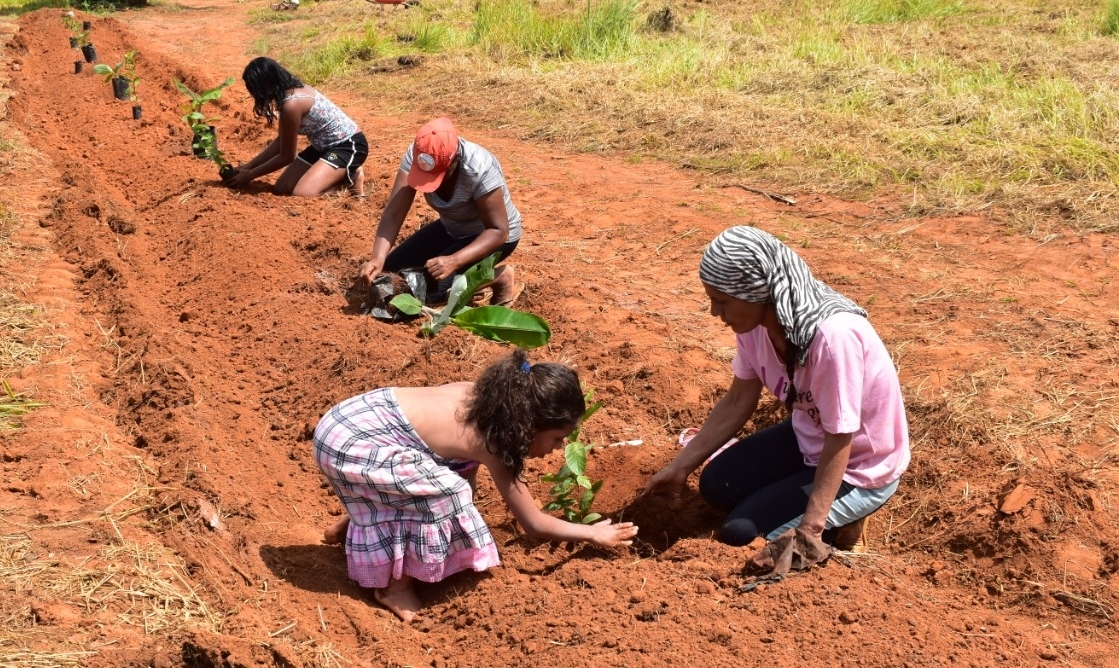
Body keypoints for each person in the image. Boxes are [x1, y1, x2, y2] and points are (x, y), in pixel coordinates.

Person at [643, 225, 909, 568]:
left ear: (756, 293)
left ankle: (842, 520)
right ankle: (794, 500)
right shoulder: (755, 326)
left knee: (738, 535)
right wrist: (680, 467)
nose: (714, 312)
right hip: (809, 437)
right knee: (717, 485)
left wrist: (809, 530)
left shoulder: (831, 337)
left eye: (721, 301)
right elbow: (739, 399)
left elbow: (841, 436)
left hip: (859, 465)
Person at [313, 351, 638, 622]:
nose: (557, 448)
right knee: (448, 494)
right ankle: (394, 587)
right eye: (556, 438)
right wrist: (592, 533)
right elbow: (534, 523)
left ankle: (346, 530)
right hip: (351, 446)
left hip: (349, 419)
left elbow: (454, 462)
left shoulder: (488, 400)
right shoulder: (494, 440)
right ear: (530, 425)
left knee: (437, 481)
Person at [358, 117, 522, 305]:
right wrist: (377, 259)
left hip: (492, 238)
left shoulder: (479, 168)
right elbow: (393, 213)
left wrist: (455, 260)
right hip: (451, 228)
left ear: (453, 162)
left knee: (421, 294)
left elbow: (498, 231)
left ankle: (498, 277)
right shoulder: (419, 156)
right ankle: (461, 288)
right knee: (387, 276)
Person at [224, 57, 368, 196]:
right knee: (282, 188)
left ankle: (351, 179)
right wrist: (247, 167)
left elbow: (286, 156)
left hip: (348, 145)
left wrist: (251, 175)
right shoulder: (287, 96)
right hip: (322, 147)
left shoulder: (292, 104)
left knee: (303, 193)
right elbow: (281, 141)